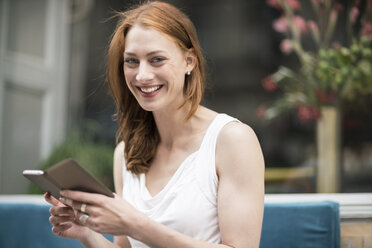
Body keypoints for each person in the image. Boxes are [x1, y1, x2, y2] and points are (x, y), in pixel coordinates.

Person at [44, 1, 265, 247]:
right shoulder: (126, 154)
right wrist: (86, 233)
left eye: (157, 59)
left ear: (189, 61)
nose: (142, 75)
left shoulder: (232, 140)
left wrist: (135, 225)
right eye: (131, 61)